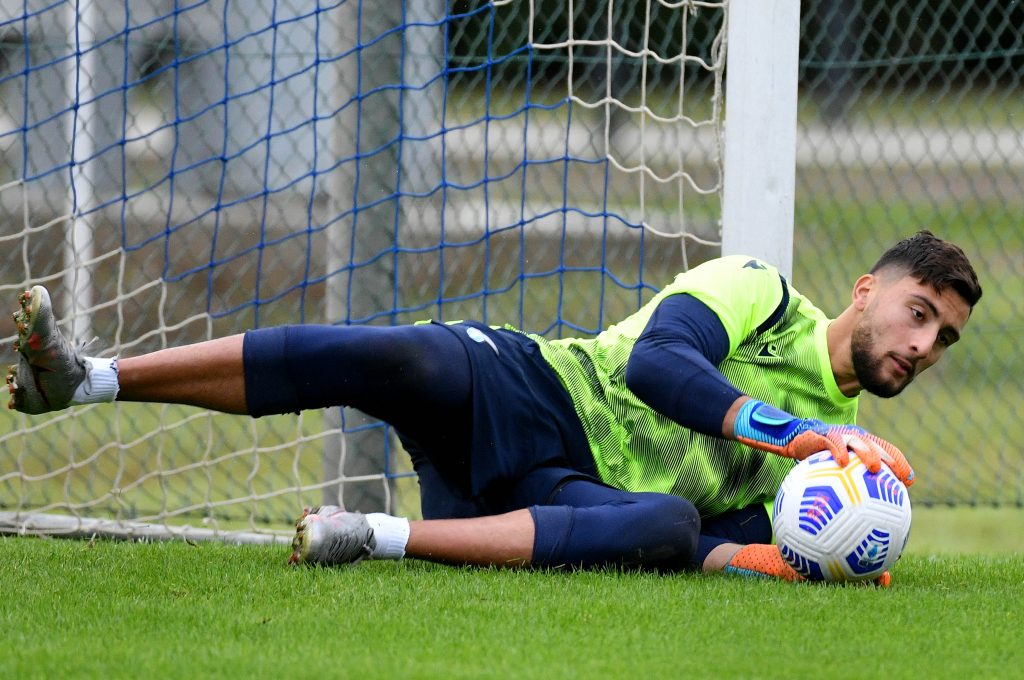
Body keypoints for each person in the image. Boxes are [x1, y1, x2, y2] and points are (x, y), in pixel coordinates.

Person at [7, 230, 981, 583]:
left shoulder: (832, 475)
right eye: (918, 313)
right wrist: (797, 431)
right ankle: (86, 379)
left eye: (942, 338)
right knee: (400, 354)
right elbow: (657, 364)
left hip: (561, 498)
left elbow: (705, 545)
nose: (923, 345)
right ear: (867, 290)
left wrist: (807, 556)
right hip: (538, 387)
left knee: (667, 524)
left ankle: (371, 535)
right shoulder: (761, 292)